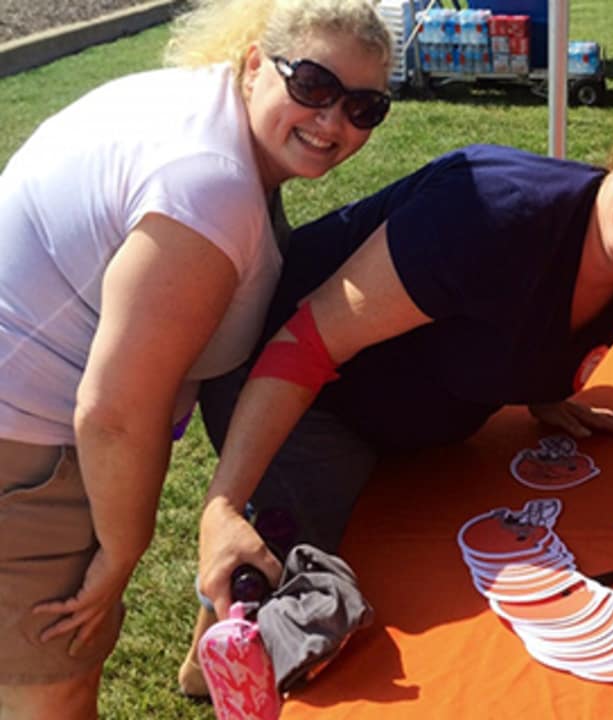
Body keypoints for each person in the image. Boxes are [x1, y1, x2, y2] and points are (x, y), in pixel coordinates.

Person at [177, 95, 613, 694]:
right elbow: (303, 344)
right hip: (295, 389)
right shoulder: (488, 211)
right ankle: (211, 659)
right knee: (316, 585)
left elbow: (528, 321)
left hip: (404, 423)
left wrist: (547, 388)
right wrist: (222, 507)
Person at [0, 0, 392, 716]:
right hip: (23, 444)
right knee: (47, 684)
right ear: (254, 63)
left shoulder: (204, 110)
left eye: (364, 106)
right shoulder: (209, 187)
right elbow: (116, 413)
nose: (334, 121)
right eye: (312, 85)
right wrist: (122, 555)